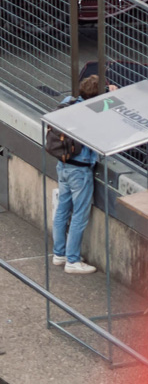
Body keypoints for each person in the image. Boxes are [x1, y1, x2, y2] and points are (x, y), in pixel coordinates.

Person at [51, 73, 106, 274]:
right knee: (79, 216)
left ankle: (59, 254)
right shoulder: (93, 114)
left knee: (62, 210)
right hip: (80, 171)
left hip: (63, 165)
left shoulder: (69, 102)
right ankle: (72, 261)